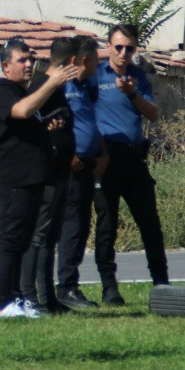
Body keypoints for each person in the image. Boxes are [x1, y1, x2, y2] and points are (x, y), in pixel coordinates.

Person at [0, 38, 80, 318]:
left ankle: (17, 299)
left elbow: (26, 121)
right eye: (21, 60)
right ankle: (2, 303)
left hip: (32, 181)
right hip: (13, 181)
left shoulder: (21, 93)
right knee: (9, 242)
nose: (28, 64)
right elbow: (21, 111)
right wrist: (52, 81)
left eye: (29, 59)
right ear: (6, 66)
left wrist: (47, 128)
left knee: (23, 243)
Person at [93, 23, 169, 305]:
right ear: (108, 47)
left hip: (134, 157)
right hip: (106, 158)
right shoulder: (95, 76)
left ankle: (161, 283)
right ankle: (109, 287)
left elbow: (154, 115)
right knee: (107, 225)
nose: (124, 53)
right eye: (119, 47)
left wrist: (132, 94)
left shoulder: (138, 77)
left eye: (130, 48)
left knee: (150, 222)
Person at [19, 37, 78, 314]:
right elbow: (27, 122)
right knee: (39, 238)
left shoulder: (59, 89)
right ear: (73, 62)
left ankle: (49, 298)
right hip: (46, 174)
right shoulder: (44, 86)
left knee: (50, 238)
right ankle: (32, 298)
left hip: (61, 171)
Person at [54, 36, 106, 311]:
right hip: (71, 167)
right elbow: (57, 122)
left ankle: (71, 283)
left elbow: (89, 122)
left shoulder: (84, 87)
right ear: (84, 60)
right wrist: (70, 152)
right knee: (72, 229)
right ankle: (66, 287)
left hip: (88, 165)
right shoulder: (62, 86)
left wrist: (102, 152)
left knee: (81, 226)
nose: (100, 64)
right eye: (97, 59)